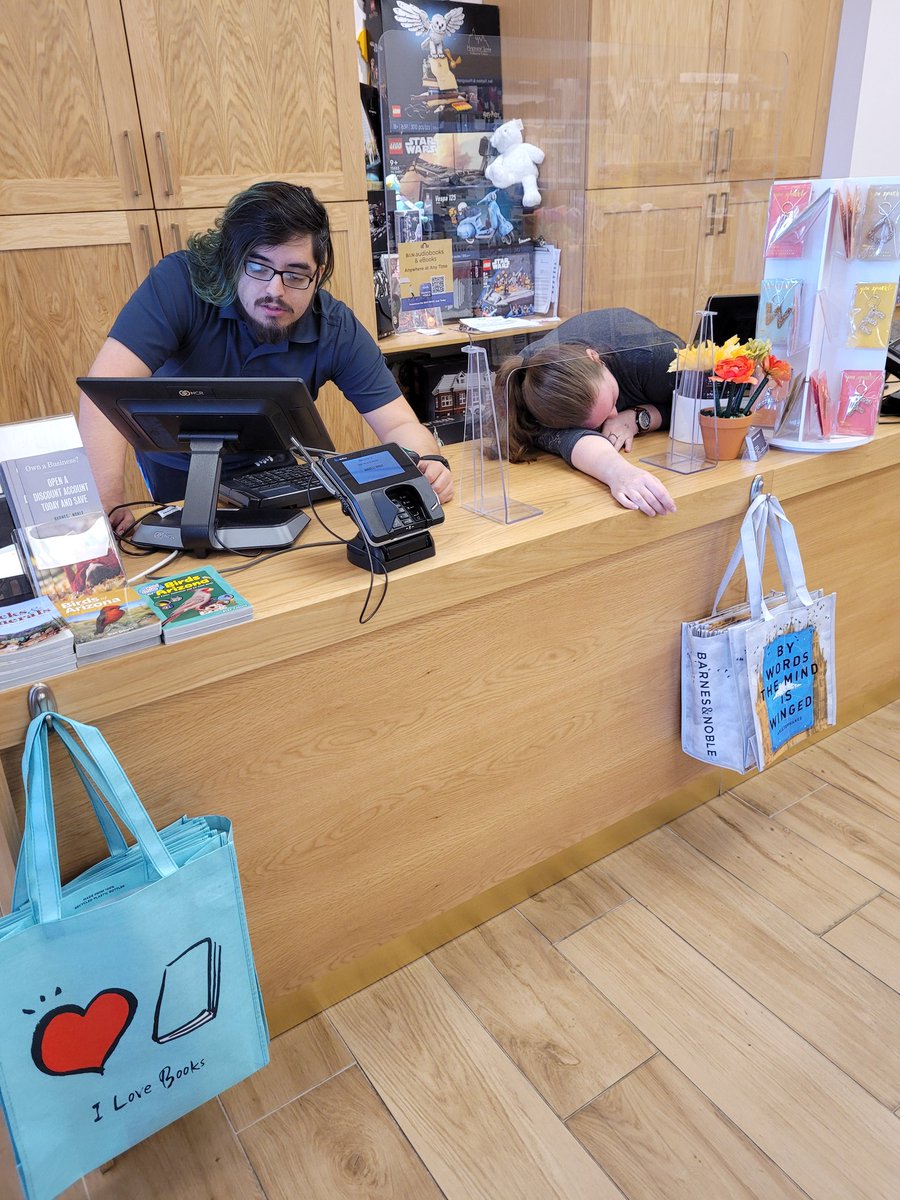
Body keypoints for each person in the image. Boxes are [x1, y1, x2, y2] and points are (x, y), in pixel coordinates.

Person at [79, 181, 453, 533]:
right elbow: (104, 396)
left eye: (295, 274)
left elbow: (400, 425)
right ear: (232, 260)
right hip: (180, 481)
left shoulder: (335, 327)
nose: (274, 290)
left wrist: (429, 464)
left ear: (318, 274)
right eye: (258, 267)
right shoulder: (180, 283)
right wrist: (107, 505)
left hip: (276, 483)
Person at [496, 308, 682, 516]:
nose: (613, 415)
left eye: (613, 399)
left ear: (594, 357)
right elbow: (569, 440)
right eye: (597, 422)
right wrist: (618, 472)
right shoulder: (530, 387)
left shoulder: (653, 356)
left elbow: (707, 407)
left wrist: (639, 417)